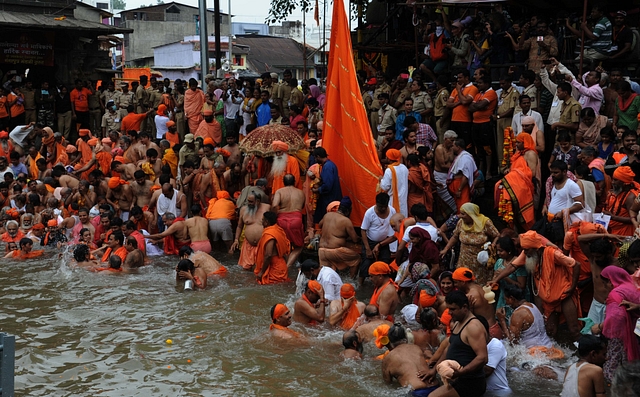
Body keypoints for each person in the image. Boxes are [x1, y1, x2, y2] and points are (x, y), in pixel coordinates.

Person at [517, 230, 581, 340]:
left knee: (574, 330)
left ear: (535, 248)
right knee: (550, 332)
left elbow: (576, 265)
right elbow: (512, 266)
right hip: (549, 302)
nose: (524, 253)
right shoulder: (534, 258)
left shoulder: (553, 253)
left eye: (526, 250)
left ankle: (584, 353)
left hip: (564, 296)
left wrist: (572, 287)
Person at [426, 290, 488, 397]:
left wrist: (461, 372)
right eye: (448, 308)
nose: (449, 312)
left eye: (452, 309)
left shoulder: (473, 327)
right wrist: (434, 370)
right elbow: (449, 348)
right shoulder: (457, 323)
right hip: (458, 379)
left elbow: (482, 358)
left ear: (464, 307)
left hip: (470, 382)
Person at [593, 266, 640, 382]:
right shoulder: (630, 287)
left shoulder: (615, 294)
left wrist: (599, 327)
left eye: (604, 283)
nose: (604, 287)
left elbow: (616, 317)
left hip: (621, 334)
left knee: (613, 363)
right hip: (634, 331)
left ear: (610, 281)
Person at [440, 203, 499, 284]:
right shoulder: (461, 222)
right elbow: (455, 237)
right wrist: (446, 249)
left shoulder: (485, 223)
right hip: (464, 261)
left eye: (463, 214)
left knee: (479, 286)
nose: (460, 216)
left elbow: (496, 235)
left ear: (471, 214)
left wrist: (493, 245)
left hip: (480, 263)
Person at [381, 323, 438, 396]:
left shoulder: (388, 358)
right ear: (406, 337)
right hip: (435, 387)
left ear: (389, 340)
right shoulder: (416, 348)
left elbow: (388, 384)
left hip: (417, 391)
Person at [496, 132, 537, 230]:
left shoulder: (530, 154)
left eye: (519, 142)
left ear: (525, 142)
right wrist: (510, 172)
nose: (516, 144)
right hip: (514, 184)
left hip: (523, 186)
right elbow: (515, 169)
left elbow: (531, 173)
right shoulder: (518, 154)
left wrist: (514, 174)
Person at [452, 267, 501, 339]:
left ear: (463, 282)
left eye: (456, 282)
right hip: (496, 328)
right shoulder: (481, 288)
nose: (455, 285)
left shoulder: (469, 296)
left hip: (486, 332)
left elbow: (466, 318)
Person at [317, 197, 361, 277]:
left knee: (325, 276)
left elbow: (320, 225)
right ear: (348, 211)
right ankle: (352, 282)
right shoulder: (346, 221)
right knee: (356, 259)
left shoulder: (327, 215)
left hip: (321, 250)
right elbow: (355, 239)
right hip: (334, 251)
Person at [360, 193, 396, 286]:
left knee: (385, 263)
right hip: (370, 242)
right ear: (376, 204)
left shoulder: (392, 211)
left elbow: (395, 232)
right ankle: (360, 285)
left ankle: (384, 286)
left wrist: (381, 245)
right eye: (380, 207)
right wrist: (368, 249)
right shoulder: (369, 213)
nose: (383, 209)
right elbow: (363, 230)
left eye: (385, 206)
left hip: (384, 242)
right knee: (366, 264)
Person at [272, 174, 305, 267]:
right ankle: (288, 265)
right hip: (296, 220)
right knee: (299, 246)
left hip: (282, 220)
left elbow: (274, 205)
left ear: (283, 182)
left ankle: (286, 265)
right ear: (294, 182)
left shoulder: (279, 191)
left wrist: (274, 216)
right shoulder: (301, 193)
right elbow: (302, 206)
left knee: (284, 244)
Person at [229, 193, 270, 269]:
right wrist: (236, 239)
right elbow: (239, 226)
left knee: (261, 269)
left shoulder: (267, 208)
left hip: (262, 244)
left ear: (258, 201)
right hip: (247, 245)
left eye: (251, 201)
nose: (249, 203)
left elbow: (273, 224)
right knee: (245, 270)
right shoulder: (244, 210)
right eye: (248, 201)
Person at [543, 161, 585, 235]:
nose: (553, 175)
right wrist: (545, 206)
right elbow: (550, 196)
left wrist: (563, 213)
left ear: (564, 172)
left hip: (563, 222)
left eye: (556, 173)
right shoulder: (554, 183)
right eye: (551, 172)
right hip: (551, 220)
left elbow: (580, 204)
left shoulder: (571, 185)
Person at [254, 211, 290, 285]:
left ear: (266, 222)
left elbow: (268, 255)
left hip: (275, 269)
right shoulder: (278, 230)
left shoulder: (270, 234)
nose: (262, 222)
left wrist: (261, 272)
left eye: (263, 220)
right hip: (281, 265)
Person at [604, 166, 638, 236]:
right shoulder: (618, 192)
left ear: (624, 183)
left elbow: (635, 219)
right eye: (613, 179)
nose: (612, 182)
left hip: (625, 234)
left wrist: (613, 217)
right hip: (614, 232)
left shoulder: (630, 197)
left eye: (615, 180)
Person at [312, 147, 342, 224]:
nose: (315, 160)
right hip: (331, 197)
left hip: (329, 199)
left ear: (318, 156)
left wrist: (318, 190)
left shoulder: (327, 167)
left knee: (328, 221)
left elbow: (327, 185)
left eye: (315, 158)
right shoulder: (329, 165)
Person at [447, 139, 477, 210]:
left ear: (458, 147)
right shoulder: (461, 156)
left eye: (453, 146)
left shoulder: (465, 158)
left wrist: (460, 189)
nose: (452, 147)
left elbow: (466, 175)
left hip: (461, 185)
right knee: (459, 207)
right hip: (458, 184)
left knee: (463, 208)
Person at [380, 149, 408, 217]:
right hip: (403, 200)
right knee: (402, 221)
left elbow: (385, 187)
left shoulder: (389, 170)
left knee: (393, 221)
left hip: (393, 201)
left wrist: (381, 180)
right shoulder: (404, 167)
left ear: (389, 159)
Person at [434, 130, 457, 213]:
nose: (453, 142)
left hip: (449, 175)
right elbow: (442, 165)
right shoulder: (439, 148)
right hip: (440, 176)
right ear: (445, 139)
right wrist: (455, 168)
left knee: (454, 197)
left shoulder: (452, 148)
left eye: (454, 140)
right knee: (445, 198)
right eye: (451, 140)